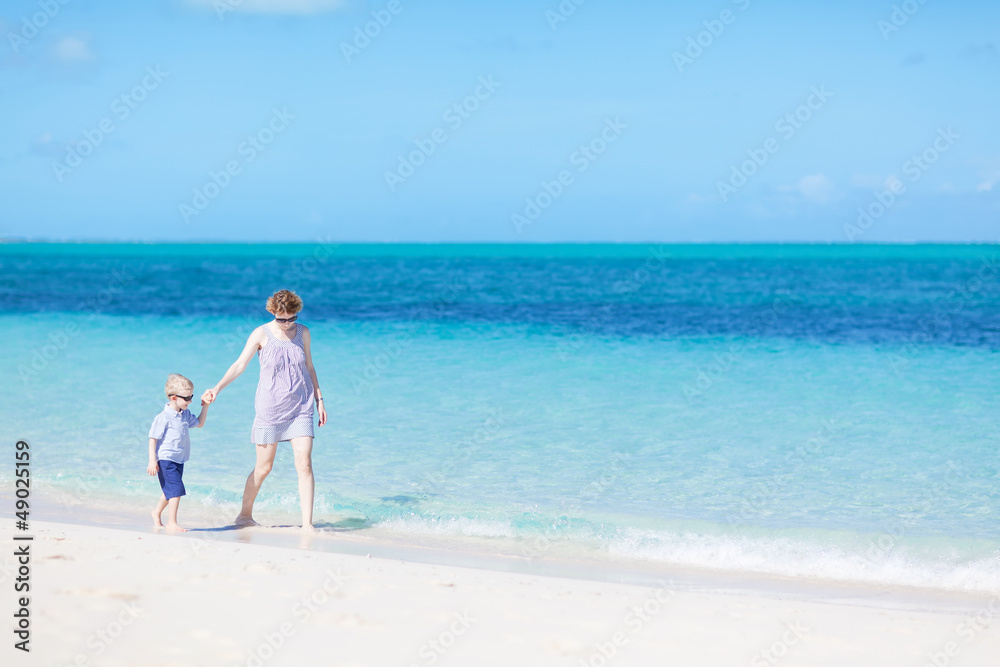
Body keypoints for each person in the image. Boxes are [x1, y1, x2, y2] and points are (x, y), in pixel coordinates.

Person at [202, 289, 326, 531]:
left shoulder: (304, 333)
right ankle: (244, 515)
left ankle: (307, 524)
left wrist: (320, 400)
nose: (288, 323)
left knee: (305, 464)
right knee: (264, 468)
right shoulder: (261, 333)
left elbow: (310, 367)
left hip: (301, 405)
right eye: (283, 319)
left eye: (293, 318)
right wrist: (217, 388)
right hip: (270, 409)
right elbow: (240, 364)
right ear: (272, 312)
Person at [148, 373, 209, 531]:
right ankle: (172, 523)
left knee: (170, 490)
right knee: (176, 490)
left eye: (191, 397)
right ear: (173, 397)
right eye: (187, 398)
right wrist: (152, 460)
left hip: (179, 459)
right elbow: (153, 438)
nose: (190, 401)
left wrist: (205, 406)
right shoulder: (163, 418)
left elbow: (200, 423)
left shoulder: (185, 414)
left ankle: (156, 512)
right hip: (165, 459)